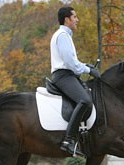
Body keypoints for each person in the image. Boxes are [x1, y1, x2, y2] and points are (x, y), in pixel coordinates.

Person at [50, 6, 101, 157]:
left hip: (67, 74)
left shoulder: (65, 35)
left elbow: (73, 62)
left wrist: (86, 66)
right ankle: (68, 140)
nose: (77, 20)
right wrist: (89, 70)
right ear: (67, 19)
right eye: (75, 17)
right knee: (85, 100)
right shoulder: (63, 36)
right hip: (64, 76)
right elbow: (70, 63)